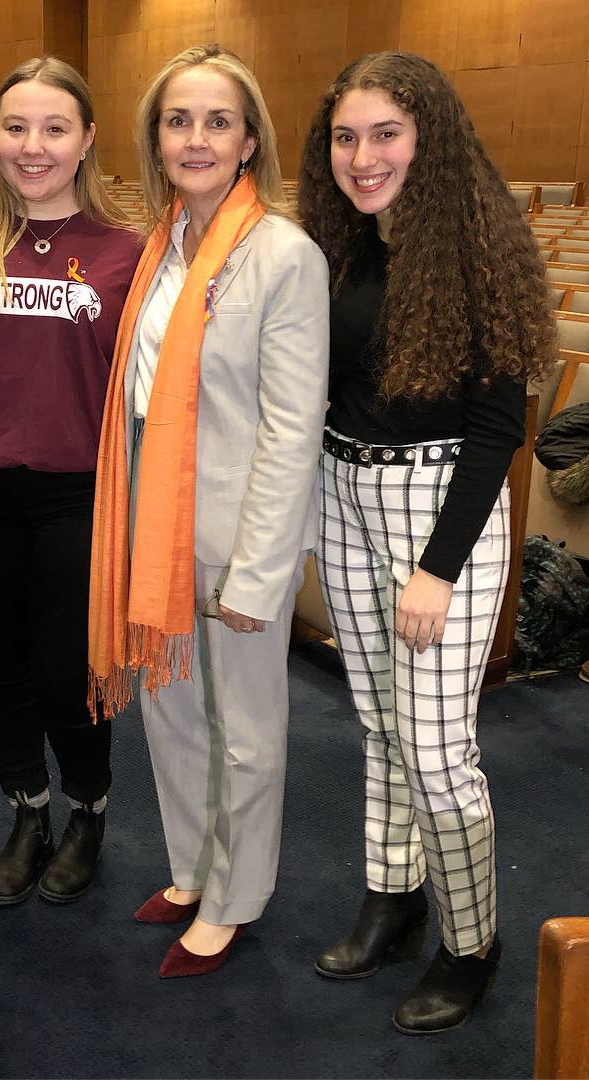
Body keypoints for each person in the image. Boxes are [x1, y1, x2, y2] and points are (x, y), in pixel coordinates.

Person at [297, 52, 555, 1033]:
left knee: (440, 752)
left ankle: (471, 943)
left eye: (386, 134)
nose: (362, 157)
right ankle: (394, 895)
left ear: (431, 139)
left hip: (439, 512)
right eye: (346, 137)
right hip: (344, 493)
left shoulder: (479, 245)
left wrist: (438, 570)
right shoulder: (341, 241)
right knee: (381, 724)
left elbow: (499, 429)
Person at [87, 43, 328, 977]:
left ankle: (237, 895)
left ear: (250, 140)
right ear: (155, 137)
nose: (196, 138)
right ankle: (192, 868)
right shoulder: (161, 247)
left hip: (234, 530)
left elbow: (289, 430)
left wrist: (262, 570)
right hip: (155, 515)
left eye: (217, 121)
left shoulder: (283, 255)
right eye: (178, 120)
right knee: (174, 712)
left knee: (248, 728)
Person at [0, 57, 141, 906]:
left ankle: (88, 808)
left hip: (75, 495)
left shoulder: (128, 252)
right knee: (0, 664)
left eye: (55, 128)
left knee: (67, 672)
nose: (33, 145)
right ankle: (28, 806)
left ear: (87, 138)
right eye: (16, 126)